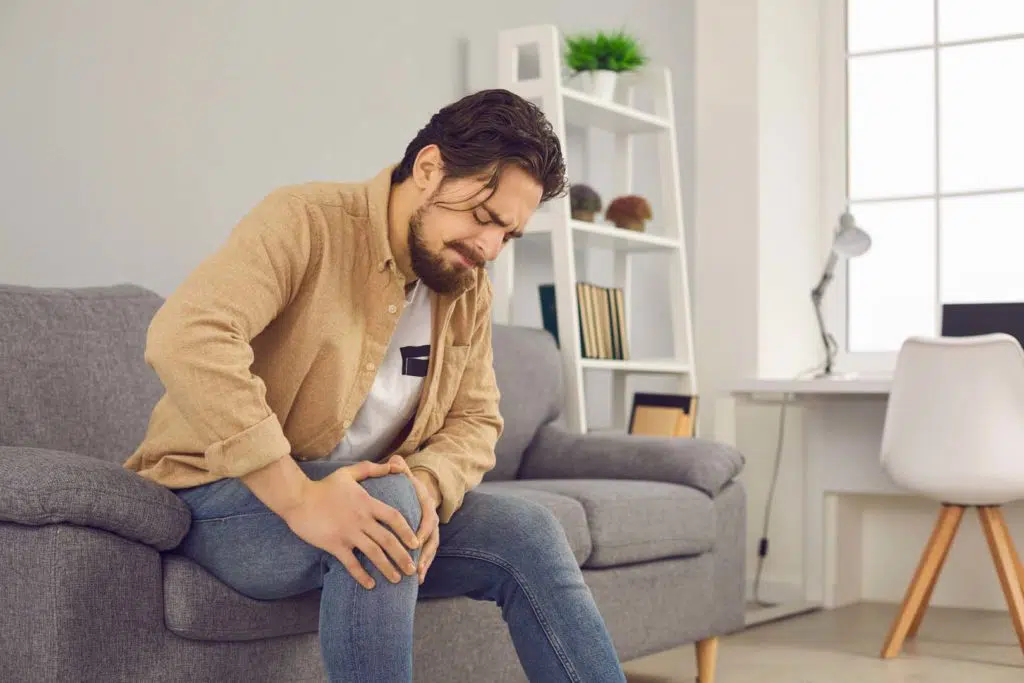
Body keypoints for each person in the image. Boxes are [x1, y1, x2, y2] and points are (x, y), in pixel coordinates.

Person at [124, 88, 627, 683]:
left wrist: (427, 486)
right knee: (382, 510)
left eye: (507, 236)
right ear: (429, 168)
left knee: (527, 531)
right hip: (221, 494)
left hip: (371, 499)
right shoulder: (306, 222)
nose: (488, 247)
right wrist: (300, 497)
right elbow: (187, 336)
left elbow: (476, 420)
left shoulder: (467, 288)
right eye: (483, 218)